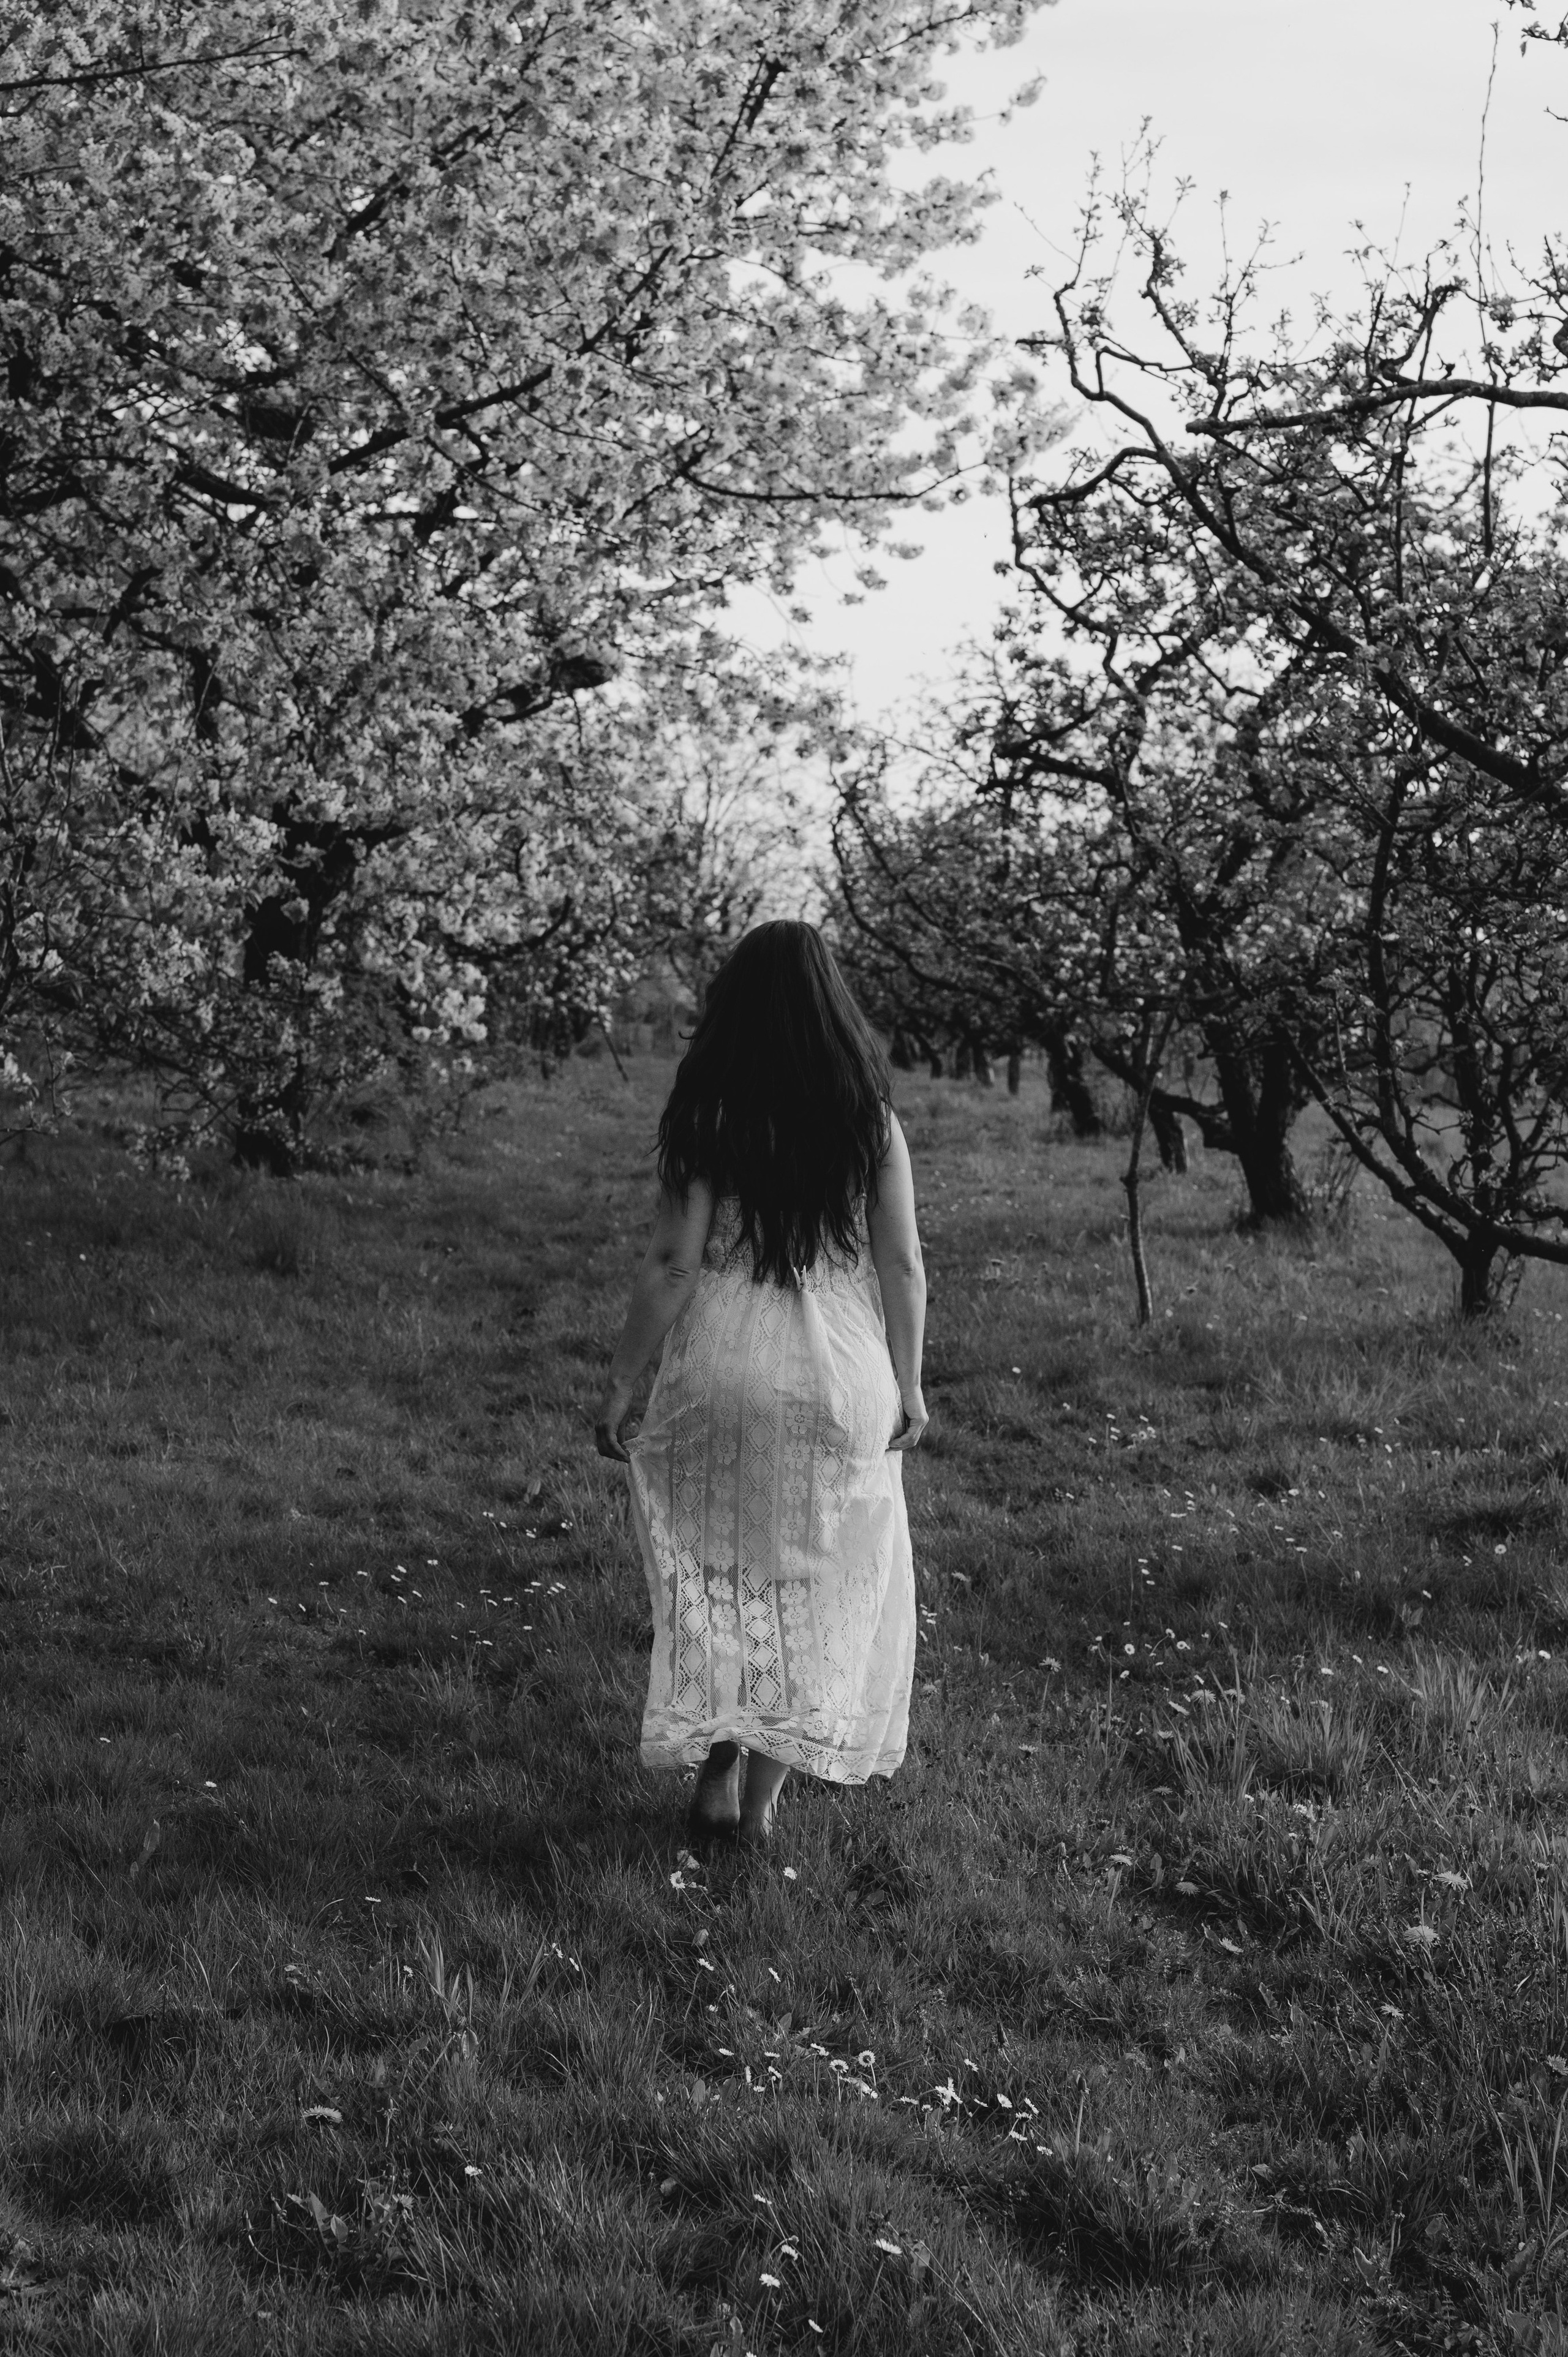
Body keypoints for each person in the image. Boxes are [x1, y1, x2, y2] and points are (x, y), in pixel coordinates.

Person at [594, 920, 928, 1849]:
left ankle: (718, 1758)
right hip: (842, 1376)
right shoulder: (870, 1118)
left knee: (719, 1567)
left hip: (726, 1364)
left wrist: (620, 1384)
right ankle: (761, 1806)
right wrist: (911, 1385)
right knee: (821, 1578)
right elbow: (902, 1265)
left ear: (732, 1006)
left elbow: (673, 1264)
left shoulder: (711, 1114)